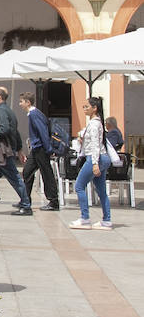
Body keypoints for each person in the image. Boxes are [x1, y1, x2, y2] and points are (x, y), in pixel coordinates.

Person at [71, 96, 112, 231]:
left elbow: (95, 145)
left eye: (86, 106)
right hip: (102, 157)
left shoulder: (94, 124)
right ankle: (106, 220)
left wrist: (94, 163)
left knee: (79, 186)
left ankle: (85, 218)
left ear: (94, 108)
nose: (84, 109)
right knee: (101, 190)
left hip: (96, 158)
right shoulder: (97, 123)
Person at [0, 86, 32, 214]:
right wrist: (19, 149)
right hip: (7, 150)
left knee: (15, 177)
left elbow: (5, 128)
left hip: (3, 151)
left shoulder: (1, 111)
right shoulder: (8, 111)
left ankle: (26, 205)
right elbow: (16, 132)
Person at [18, 92, 60, 211]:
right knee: (27, 172)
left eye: (21, 101)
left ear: (28, 102)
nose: (20, 104)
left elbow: (43, 132)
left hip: (41, 148)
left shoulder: (34, 114)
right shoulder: (33, 114)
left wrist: (48, 149)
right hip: (36, 149)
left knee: (46, 174)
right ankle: (25, 199)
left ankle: (53, 201)